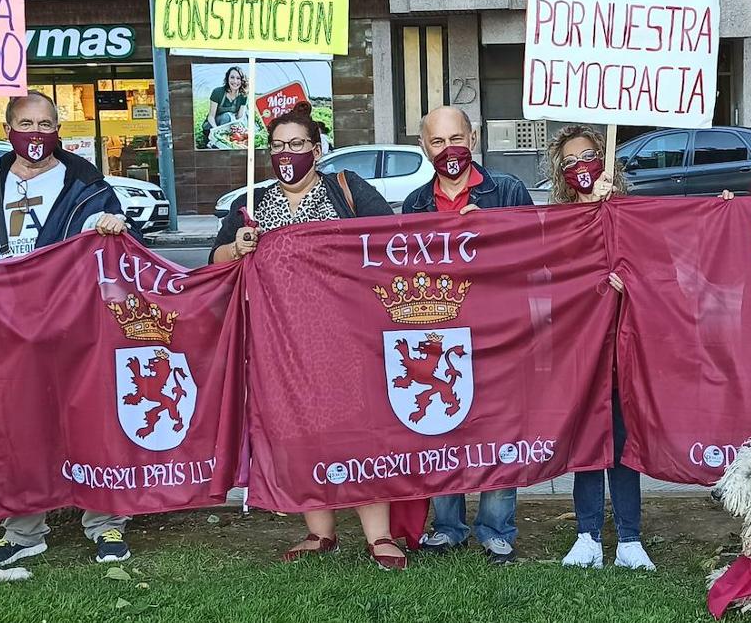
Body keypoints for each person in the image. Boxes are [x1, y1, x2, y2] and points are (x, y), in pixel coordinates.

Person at [0, 90, 134, 569]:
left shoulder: (87, 184)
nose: (37, 133)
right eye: (26, 123)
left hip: (73, 321)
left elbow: (121, 246)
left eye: (46, 124)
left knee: (91, 416)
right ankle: (22, 529)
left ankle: (104, 521)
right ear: (7, 129)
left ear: (58, 130)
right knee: (15, 423)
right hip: (4, 325)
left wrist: (115, 226)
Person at [209, 111, 408, 571]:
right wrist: (236, 246)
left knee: (359, 431)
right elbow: (215, 259)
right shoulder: (252, 201)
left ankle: (379, 536)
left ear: (316, 151)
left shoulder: (346, 188)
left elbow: (389, 239)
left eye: (298, 145)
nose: (288, 154)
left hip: (346, 335)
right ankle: (321, 531)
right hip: (280, 339)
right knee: (300, 432)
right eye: (279, 145)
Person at [402, 106, 533, 565]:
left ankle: (496, 529)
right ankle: (448, 526)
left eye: (455, 138)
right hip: (439, 335)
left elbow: (535, 254)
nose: (448, 149)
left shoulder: (509, 191)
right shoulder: (415, 203)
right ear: (424, 147)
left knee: (498, 430)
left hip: (499, 332)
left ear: (473, 139)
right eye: (437, 142)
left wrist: (492, 231)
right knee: (440, 427)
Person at [544, 126, 655, 572]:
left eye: (588, 155)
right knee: (588, 440)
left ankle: (630, 538)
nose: (580, 166)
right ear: (560, 172)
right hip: (578, 348)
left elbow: (658, 268)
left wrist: (632, 287)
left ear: (606, 159)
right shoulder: (558, 221)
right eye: (569, 161)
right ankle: (587, 534)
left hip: (623, 349)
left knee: (624, 442)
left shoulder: (630, 214)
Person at [202, 67, 248, 140]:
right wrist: (216, 131)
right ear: (227, 78)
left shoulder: (243, 96)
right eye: (232, 77)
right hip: (212, 126)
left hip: (228, 126)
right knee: (227, 116)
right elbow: (211, 117)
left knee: (246, 115)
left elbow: (239, 117)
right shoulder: (217, 92)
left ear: (242, 81)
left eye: (238, 78)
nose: (235, 81)